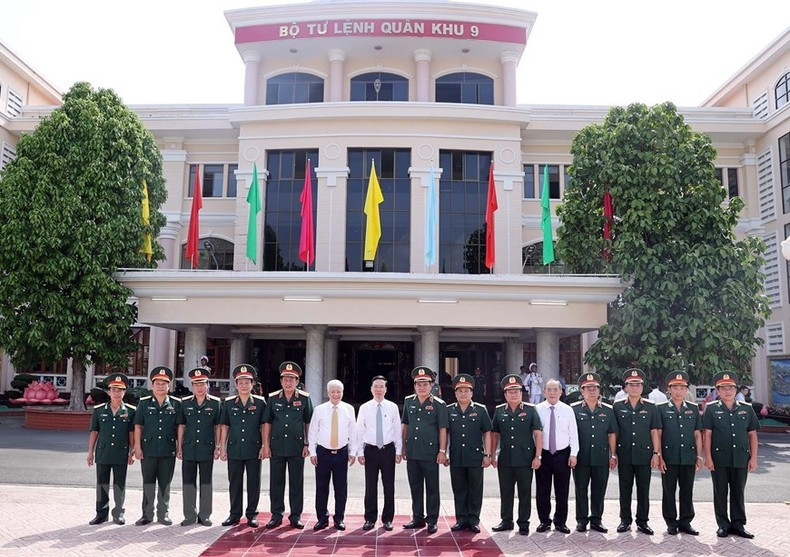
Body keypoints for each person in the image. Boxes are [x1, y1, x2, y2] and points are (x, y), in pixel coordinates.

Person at [703, 370, 760, 539]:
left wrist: (754, 458)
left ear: (736, 390)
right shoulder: (711, 409)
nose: (727, 391)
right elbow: (707, 435)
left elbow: (752, 435)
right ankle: (723, 525)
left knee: (738, 492)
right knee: (720, 492)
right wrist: (708, 457)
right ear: (718, 391)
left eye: (731, 388)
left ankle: (738, 524)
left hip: (741, 457)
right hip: (719, 459)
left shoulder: (746, 409)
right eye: (723, 388)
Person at [262, 361, 313, 529]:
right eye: (285, 379)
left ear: (297, 381)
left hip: (296, 446)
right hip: (276, 446)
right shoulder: (273, 398)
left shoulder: (304, 398)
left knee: (296, 482)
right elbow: (267, 422)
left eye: (292, 379)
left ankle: (295, 515)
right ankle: (276, 515)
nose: (288, 382)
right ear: (281, 381)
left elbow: (308, 422)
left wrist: (307, 444)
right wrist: (266, 445)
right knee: (276, 482)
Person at [490, 374, 542, 536]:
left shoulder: (530, 410)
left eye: (516, 391)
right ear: (505, 395)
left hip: (525, 459)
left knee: (525, 492)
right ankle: (506, 520)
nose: (514, 394)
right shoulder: (499, 411)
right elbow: (495, 434)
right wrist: (492, 455)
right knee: (506, 491)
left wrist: (538, 456)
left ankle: (524, 523)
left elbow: (538, 434)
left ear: (521, 393)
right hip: (505, 458)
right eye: (510, 392)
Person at [613, 368, 662, 535]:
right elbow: (614, 432)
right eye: (631, 384)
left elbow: (654, 431)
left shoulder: (651, 407)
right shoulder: (618, 406)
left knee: (643, 489)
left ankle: (643, 521)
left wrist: (656, 453)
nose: (634, 387)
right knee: (624, 489)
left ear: (642, 387)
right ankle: (625, 520)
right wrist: (613, 454)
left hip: (644, 454)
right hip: (625, 454)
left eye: (638, 384)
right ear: (626, 387)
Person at [401, 366, 449, 534]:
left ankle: (432, 520)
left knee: (432, 487)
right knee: (415, 486)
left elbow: (443, 429)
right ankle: (417, 517)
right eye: (418, 384)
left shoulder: (439, 404)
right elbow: (405, 424)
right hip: (413, 451)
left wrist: (442, 451)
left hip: (430, 452)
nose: (421, 387)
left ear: (431, 385)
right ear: (414, 385)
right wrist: (403, 447)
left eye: (425, 384)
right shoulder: (409, 401)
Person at [219, 364, 266, 527]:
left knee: (254, 482)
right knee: (235, 482)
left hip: (253, 448)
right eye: (241, 383)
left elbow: (264, 425)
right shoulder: (229, 403)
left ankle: (252, 514)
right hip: (234, 448)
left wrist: (264, 445)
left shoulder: (260, 402)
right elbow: (224, 426)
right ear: (236, 384)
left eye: (247, 382)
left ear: (252, 384)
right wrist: (222, 447)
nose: (244, 385)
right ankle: (234, 514)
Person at [656, 370, 703, 536]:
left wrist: (699, 456)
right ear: (669, 389)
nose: (678, 391)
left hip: (688, 456)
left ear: (686, 390)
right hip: (669, 457)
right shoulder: (661, 408)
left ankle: (685, 521)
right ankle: (670, 522)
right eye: (675, 388)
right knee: (668, 490)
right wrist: (659, 456)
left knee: (687, 490)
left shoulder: (693, 408)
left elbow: (697, 434)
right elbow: (658, 434)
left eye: (682, 388)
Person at [133, 366, 181, 526]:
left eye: (164, 383)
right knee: (148, 482)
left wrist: (179, 447)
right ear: (152, 386)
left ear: (169, 386)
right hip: (148, 450)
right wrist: (137, 447)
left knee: (165, 484)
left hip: (168, 450)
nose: (160, 386)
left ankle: (163, 514)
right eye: (157, 383)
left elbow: (179, 427)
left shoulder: (176, 404)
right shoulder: (144, 403)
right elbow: (138, 426)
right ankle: (146, 515)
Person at [445, 373, 492, 533]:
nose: (463, 394)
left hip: (475, 457)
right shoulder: (449, 410)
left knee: (475, 489)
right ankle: (461, 519)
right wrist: (444, 452)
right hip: (456, 456)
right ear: (455, 393)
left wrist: (488, 455)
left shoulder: (480, 410)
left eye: (466, 391)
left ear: (472, 393)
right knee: (459, 489)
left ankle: (474, 519)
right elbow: (445, 433)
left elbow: (487, 432)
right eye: (460, 391)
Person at [571, 372, 618, 533]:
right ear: (582, 391)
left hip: (601, 457)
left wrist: (613, 454)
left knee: (599, 489)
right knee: (581, 490)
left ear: (599, 390)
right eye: (588, 388)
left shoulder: (608, 410)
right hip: (581, 457)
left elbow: (611, 434)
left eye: (595, 388)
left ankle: (596, 520)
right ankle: (581, 520)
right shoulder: (574, 409)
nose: (592, 390)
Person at [87, 372, 135, 525]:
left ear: (124, 392)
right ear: (109, 392)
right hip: (103, 452)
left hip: (121, 452)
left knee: (119, 484)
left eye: (120, 390)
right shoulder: (99, 410)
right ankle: (101, 514)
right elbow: (94, 431)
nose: (116, 393)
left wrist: (132, 451)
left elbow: (131, 433)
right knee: (102, 484)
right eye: (114, 390)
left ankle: (118, 513)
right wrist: (90, 452)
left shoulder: (130, 411)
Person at [309, 379, 357, 531]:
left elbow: (353, 432)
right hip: (323, 453)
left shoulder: (349, 409)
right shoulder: (319, 409)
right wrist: (312, 451)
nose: (336, 394)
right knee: (321, 487)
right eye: (333, 392)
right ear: (328, 393)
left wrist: (353, 452)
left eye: (338, 391)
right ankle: (322, 519)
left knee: (341, 488)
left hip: (341, 453)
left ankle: (339, 518)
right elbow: (313, 431)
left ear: (342, 392)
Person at [356, 375, 402, 531]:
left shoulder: (392, 407)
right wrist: (360, 452)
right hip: (370, 450)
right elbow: (359, 430)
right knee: (370, 486)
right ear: (371, 389)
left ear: (386, 389)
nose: (378, 389)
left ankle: (388, 519)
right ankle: (370, 518)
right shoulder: (365, 407)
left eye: (381, 386)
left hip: (388, 450)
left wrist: (399, 450)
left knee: (389, 486)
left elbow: (397, 430)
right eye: (376, 386)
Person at [177, 367, 221, 527]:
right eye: (196, 384)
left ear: (207, 384)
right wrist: (179, 446)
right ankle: (189, 515)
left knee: (206, 482)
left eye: (202, 384)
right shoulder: (185, 403)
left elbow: (218, 426)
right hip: (189, 447)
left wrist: (218, 446)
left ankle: (205, 515)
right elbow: (181, 426)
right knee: (188, 482)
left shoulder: (215, 403)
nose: (199, 387)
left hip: (206, 447)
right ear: (192, 386)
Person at [535, 379, 579, 534]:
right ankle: (544, 521)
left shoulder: (568, 410)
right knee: (542, 490)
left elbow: (573, 433)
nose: (552, 393)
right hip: (544, 455)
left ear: (561, 392)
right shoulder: (537, 409)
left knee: (562, 490)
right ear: (544, 392)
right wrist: (536, 455)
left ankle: (560, 522)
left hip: (563, 454)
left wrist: (573, 454)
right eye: (549, 389)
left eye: (555, 389)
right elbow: (534, 434)